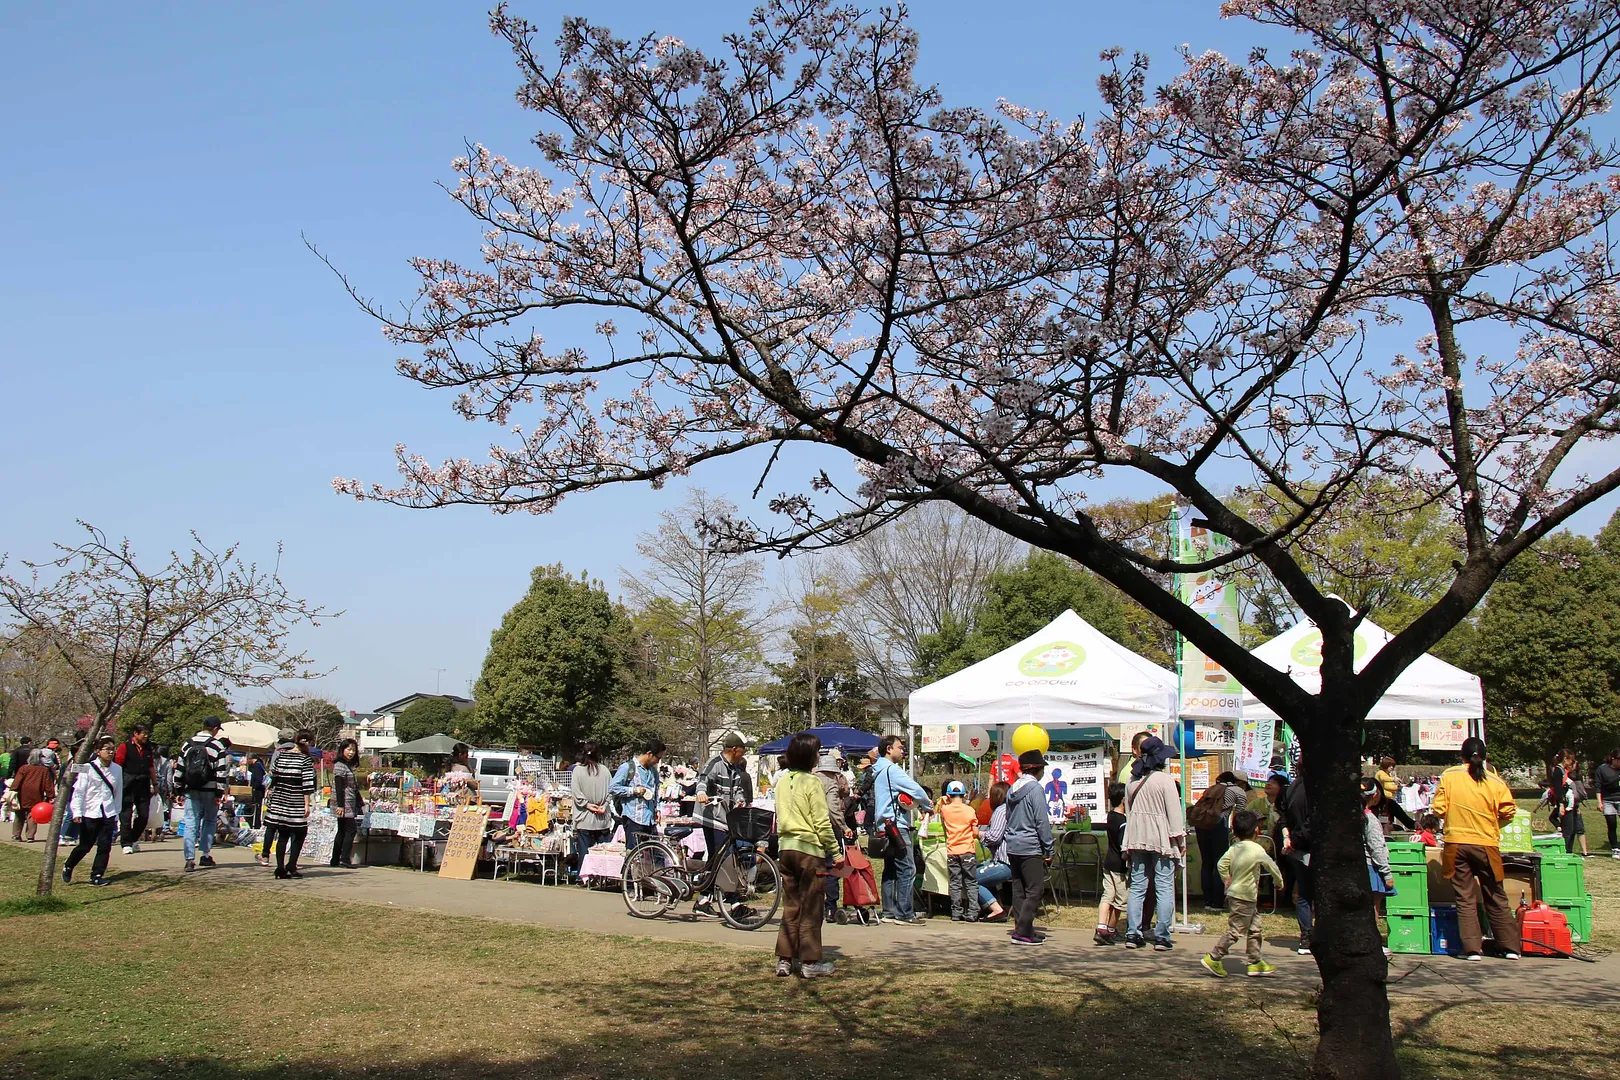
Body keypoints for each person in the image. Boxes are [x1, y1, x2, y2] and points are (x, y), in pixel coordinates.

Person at [1429, 737, 1522, 961]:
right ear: (1485, 757)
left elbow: (1439, 809)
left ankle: (1472, 949)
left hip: (1457, 844)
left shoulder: (1450, 776)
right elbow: (1509, 810)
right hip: (1487, 844)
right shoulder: (1496, 781)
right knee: (1495, 894)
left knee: (1464, 896)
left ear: (1462, 756)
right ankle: (1510, 947)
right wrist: (1493, 825)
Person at [1199, 809, 1284, 978]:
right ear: (1256, 831)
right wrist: (1279, 882)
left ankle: (1255, 962)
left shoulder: (1234, 848)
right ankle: (1214, 957)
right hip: (1244, 897)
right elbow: (1272, 866)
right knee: (1236, 931)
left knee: (1255, 929)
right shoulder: (1257, 849)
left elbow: (1221, 864)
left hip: (1238, 896)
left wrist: (1226, 879)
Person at [1122, 735, 1186, 951]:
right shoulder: (1165, 781)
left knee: (1137, 887)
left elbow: (1130, 813)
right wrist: (1180, 839)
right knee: (1164, 887)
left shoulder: (1132, 781)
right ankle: (1162, 936)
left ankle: (1133, 933)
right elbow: (1174, 814)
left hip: (1137, 837)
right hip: (1162, 838)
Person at [870, 734, 932, 925]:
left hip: (883, 825)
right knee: (907, 868)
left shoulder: (878, 770)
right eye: (899, 747)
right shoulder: (892, 770)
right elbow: (916, 789)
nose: (902, 750)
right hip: (897, 826)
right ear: (889, 749)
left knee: (890, 869)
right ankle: (905, 913)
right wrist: (928, 805)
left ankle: (889, 911)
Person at [693, 732, 755, 918]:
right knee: (725, 859)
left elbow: (737, 790)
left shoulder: (734, 769)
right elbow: (703, 780)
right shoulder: (715, 763)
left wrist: (740, 800)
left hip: (725, 820)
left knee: (716, 859)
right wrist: (702, 793)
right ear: (735, 749)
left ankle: (703, 900)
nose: (744, 753)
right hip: (711, 819)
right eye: (743, 749)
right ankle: (735, 904)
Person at [1004, 750, 1054, 946]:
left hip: (1013, 844)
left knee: (1019, 890)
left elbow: (1008, 816)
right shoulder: (1035, 789)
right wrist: (1048, 847)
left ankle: (1023, 928)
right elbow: (1042, 821)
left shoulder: (1012, 788)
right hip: (1030, 845)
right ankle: (1023, 931)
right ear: (1037, 769)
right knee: (1035, 889)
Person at [62, 736, 123, 887]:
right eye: (107, 749)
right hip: (90, 811)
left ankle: (97, 875)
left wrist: (116, 812)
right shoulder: (87, 768)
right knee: (85, 845)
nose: (110, 752)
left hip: (108, 811)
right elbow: (79, 791)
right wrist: (76, 811)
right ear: (97, 751)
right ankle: (69, 865)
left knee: (104, 845)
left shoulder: (117, 769)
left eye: (112, 749)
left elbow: (118, 792)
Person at [1193, 771, 1250, 911]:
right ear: (1239, 781)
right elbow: (1240, 814)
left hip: (1201, 826)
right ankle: (1217, 902)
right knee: (1220, 863)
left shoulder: (1211, 789)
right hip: (1219, 826)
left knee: (1207, 863)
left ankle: (1207, 900)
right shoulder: (1237, 791)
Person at [178, 716, 229, 872]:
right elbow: (221, 772)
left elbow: (180, 768)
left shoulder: (187, 744)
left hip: (191, 789)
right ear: (215, 729)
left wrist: (178, 789)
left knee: (190, 822)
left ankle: (189, 859)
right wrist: (219, 792)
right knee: (210, 820)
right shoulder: (217, 745)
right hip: (210, 789)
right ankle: (205, 854)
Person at [264, 727, 316, 878]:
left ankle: (280, 867)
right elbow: (307, 784)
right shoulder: (305, 760)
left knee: (283, 834)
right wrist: (307, 804)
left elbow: (273, 776)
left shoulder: (281, 756)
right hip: (296, 800)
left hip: (279, 799)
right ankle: (292, 864)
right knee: (300, 833)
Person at [814, 748, 853, 920]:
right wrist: (844, 826)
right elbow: (833, 809)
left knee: (814, 868)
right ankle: (830, 907)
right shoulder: (831, 782)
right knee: (831, 867)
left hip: (810, 830)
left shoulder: (811, 780)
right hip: (828, 828)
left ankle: (813, 906)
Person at [1281, 764, 1315, 954]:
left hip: (1295, 847)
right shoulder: (1315, 788)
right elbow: (1312, 822)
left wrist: (1288, 838)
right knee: (1315, 894)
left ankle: (1306, 937)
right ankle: (1311, 936)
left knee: (1304, 895)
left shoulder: (1292, 786)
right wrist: (1295, 839)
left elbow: (1284, 816)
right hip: (1310, 846)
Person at [610, 738, 665, 852]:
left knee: (657, 856)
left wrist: (657, 809)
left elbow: (655, 792)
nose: (658, 762)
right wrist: (633, 791)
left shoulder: (653, 772)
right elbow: (613, 788)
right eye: (657, 758)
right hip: (633, 819)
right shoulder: (627, 768)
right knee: (634, 855)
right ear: (649, 754)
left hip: (650, 820)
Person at [937, 780, 979, 922]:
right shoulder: (970, 810)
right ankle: (973, 911)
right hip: (967, 850)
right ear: (964, 794)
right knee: (971, 882)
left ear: (948, 795)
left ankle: (956, 912)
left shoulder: (945, 810)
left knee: (955, 883)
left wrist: (944, 801)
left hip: (952, 851)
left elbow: (938, 808)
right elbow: (975, 831)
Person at [113, 723, 156, 855]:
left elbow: (151, 767)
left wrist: (155, 783)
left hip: (143, 784)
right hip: (127, 784)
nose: (146, 736)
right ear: (135, 734)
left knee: (144, 815)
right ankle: (126, 843)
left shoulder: (148, 748)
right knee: (126, 815)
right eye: (143, 733)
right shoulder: (124, 747)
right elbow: (118, 765)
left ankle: (133, 838)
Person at [570, 742, 613, 872]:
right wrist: (604, 805)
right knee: (602, 851)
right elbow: (611, 791)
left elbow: (576, 794)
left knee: (585, 851)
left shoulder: (578, 771)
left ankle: (584, 876)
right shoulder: (605, 770)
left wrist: (587, 805)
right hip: (602, 817)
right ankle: (602, 876)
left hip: (584, 818)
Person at [1095, 781, 1129, 946]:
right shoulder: (1123, 821)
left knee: (1107, 895)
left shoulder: (1110, 816)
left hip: (1108, 862)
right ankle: (1110, 929)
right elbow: (1124, 846)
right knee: (1121, 900)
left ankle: (1101, 927)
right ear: (1124, 800)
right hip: (1119, 866)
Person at [974, 780, 1012, 922]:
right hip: (1014, 859)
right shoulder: (1012, 808)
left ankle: (997, 910)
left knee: (971, 878)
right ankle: (997, 905)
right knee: (983, 872)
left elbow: (994, 837)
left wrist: (980, 834)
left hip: (1004, 862)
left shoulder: (1001, 811)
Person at [329, 738, 364, 869]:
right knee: (350, 830)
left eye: (353, 750)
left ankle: (335, 859)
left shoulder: (348, 766)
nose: (351, 752)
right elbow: (338, 786)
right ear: (342, 750)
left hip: (349, 801)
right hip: (344, 802)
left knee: (342, 831)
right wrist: (340, 805)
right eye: (348, 749)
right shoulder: (340, 765)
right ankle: (344, 858)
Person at [9, 750, 55, 842]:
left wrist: (13, 790)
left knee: (19, 815)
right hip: (36, 794)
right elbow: (48, 785)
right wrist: (51, 796)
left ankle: (16, 835)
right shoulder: (44, 770)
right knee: (33, 815)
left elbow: (17, 781)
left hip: (22, 794)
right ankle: (30, 836)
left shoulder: (24, 768)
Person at [1375, 756, 1417, 829]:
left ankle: (1411, 825)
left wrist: (1398, 785)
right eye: (1390, 766)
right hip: (1382, 801)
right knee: (1396, 811)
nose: (1392, 768)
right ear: (1385, 765)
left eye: (1393, 766)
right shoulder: (1381, 773)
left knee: (1395, 813)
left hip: (1387, 800)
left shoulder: (1387, 774)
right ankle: (1412, 825)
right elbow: (1384, 779)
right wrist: (1393, 779)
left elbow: (1390, 787)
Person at [1561, 757, 1590, 856]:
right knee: (1570, 830)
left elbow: (1578, 794)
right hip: (1569, 806)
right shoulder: (1566, 776)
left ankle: (1581, 851)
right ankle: (1568, 851)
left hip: (1575, 806)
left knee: (1578, 829)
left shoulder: (1575, 777)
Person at [1596, 749, 1620, 858]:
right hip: (1608, 800)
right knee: (1611, 824)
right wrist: (1599, 802)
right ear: (1613, 759)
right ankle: (1615, 848)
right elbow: (1598, 786)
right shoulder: (1602, 769)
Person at [247, 754, 267, 829]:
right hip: (260, 790)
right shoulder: (259, 765)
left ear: (251, 759)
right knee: (256, 808)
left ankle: (256, 824)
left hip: (257, 791)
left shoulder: (257, 766)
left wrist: (254, 788)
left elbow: (258, 779)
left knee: (255, 808)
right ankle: (255, 823)